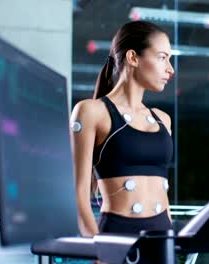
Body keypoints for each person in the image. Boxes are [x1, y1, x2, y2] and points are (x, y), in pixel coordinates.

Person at [70, 21, 175, 237]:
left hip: (162, 238)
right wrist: (98, 252)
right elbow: (78, 195)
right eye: (162, 57)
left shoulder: (163, 120)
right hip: (116, 239)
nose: (170, 69)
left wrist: (172, 243)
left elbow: (165, 199)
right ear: (133, 58)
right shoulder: (91, 112)